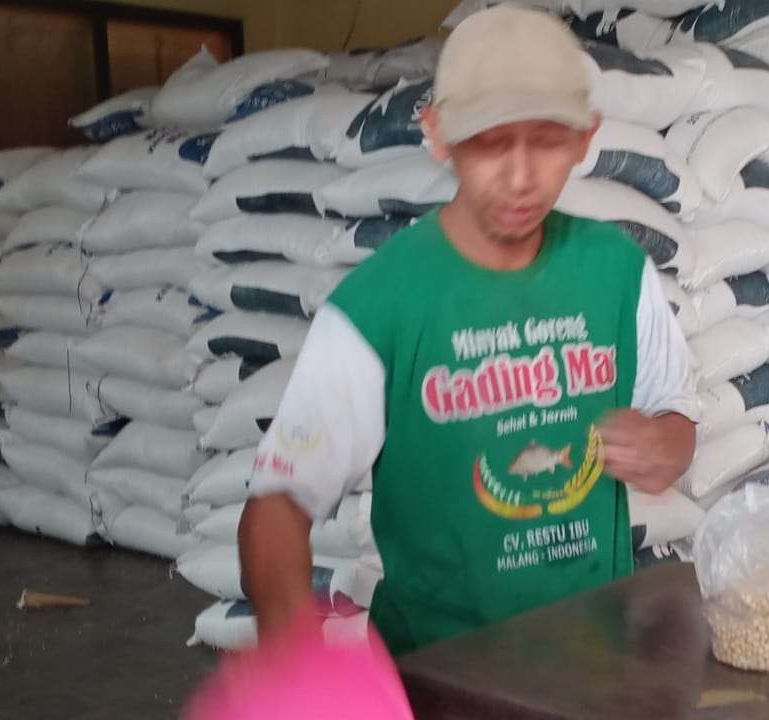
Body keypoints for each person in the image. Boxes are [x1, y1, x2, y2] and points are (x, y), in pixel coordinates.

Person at [238, 5, 699, 657]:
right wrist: (295, 657)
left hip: (599, 666)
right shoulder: (379, 306)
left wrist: (664, 445)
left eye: (545, 141)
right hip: (445, 673)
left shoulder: (620, 273)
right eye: (488, 142)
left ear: (584, 136)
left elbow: (676, 415)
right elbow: (278, 507)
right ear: (437, 134)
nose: (519, 176)